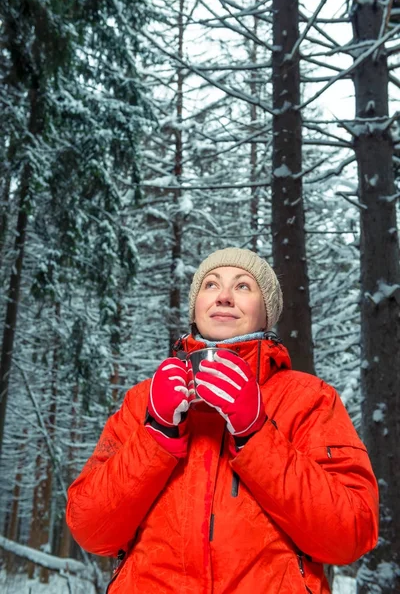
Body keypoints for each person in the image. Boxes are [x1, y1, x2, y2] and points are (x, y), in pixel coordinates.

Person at [66, 247, 379, 594]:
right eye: (211, 285)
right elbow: (90, 530)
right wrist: (156, 435)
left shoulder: (311, 399)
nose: (225, 297)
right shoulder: (142, 400)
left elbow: (350, 535)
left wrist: (256, 436)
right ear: (196, 305)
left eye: (244, 286)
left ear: (266, 313)